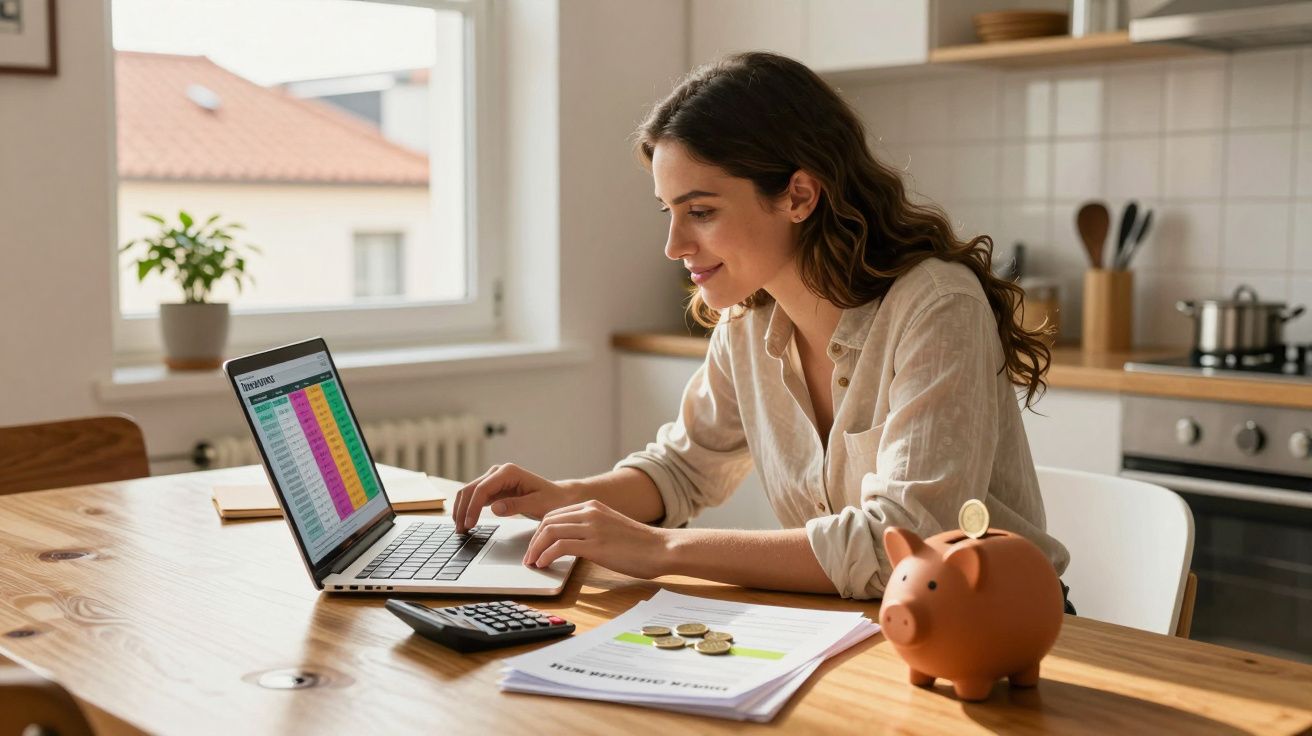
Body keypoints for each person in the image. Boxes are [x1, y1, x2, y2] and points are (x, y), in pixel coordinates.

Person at [453, 51, 1070, 601]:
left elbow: (902, 545)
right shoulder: (748, 320)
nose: (673, 244)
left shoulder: (936, 305)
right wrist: (561, 500)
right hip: (860, 628)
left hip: (999, 630)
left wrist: (659, 550)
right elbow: (684, 468)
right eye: (669, 211)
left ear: (799, 195)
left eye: (701, 211)